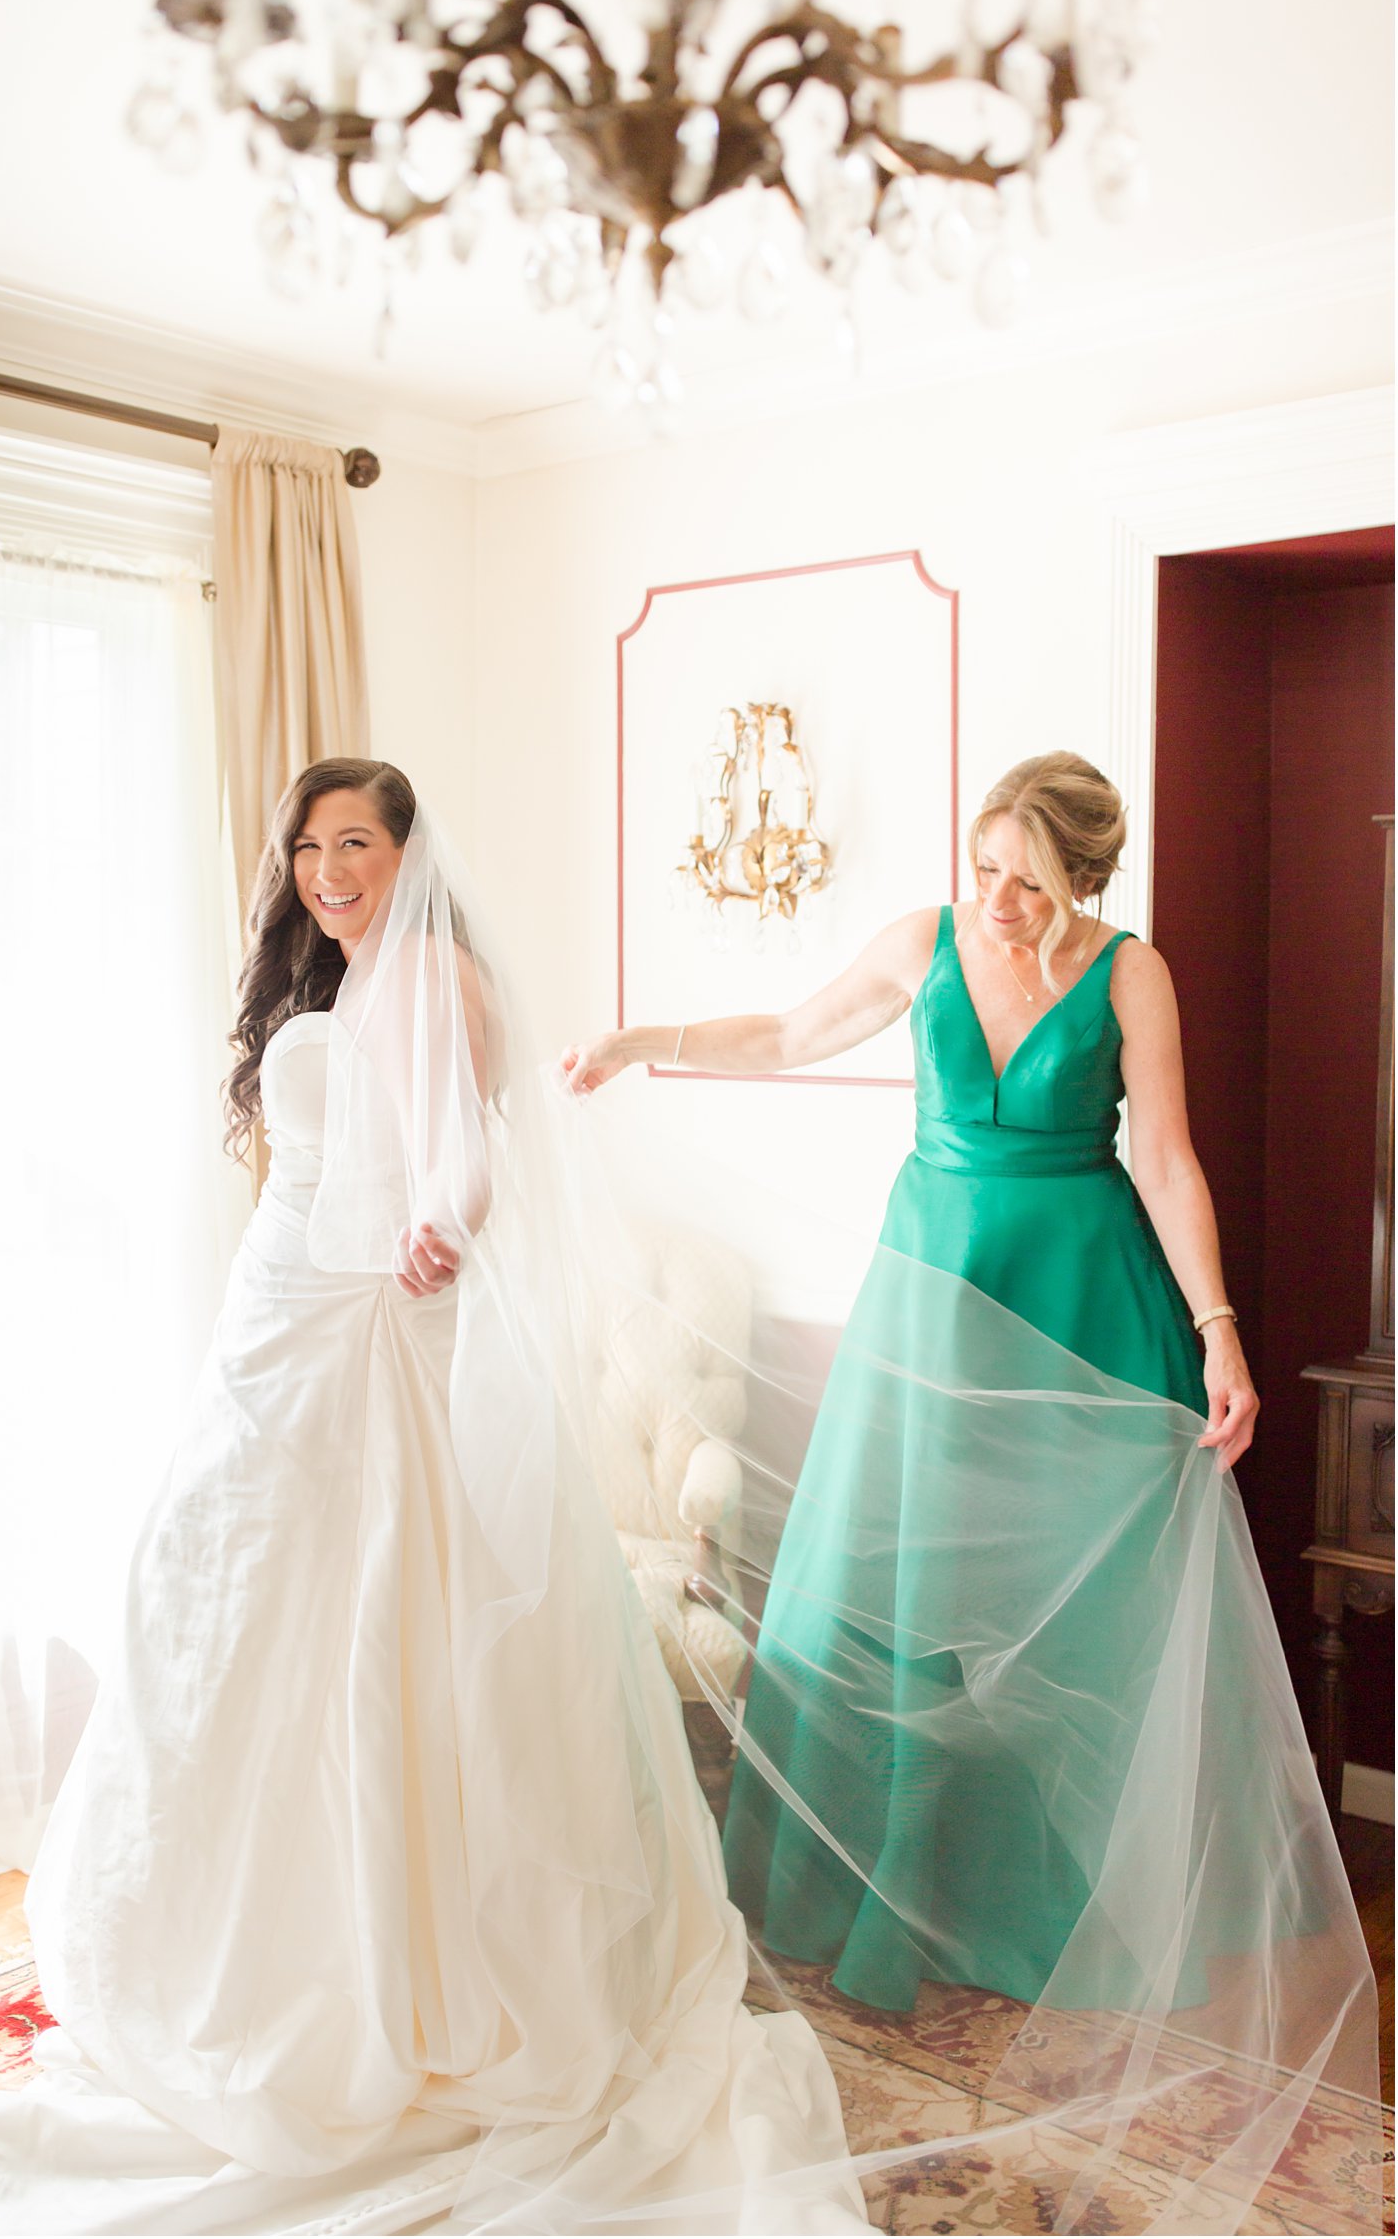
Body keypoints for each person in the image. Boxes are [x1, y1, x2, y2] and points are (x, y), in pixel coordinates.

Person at [0, 757, 867, 2238]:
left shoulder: (430, 966)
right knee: (233, 1619)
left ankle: (389, 1973)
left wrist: (438, 1223)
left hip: (370, 1320)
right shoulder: (343, 969)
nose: (326, 867)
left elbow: (460, 1149)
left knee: (375, 1633)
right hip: (278, 1319)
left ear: (405, 850)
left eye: (354, 841)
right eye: (309, 845)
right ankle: (239, 1956)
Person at [563, 751, 1380, 2231]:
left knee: (1078, 1633)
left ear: (1083, 880)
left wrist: (1218, 1332)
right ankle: (875, 1907)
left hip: (1081, 1305)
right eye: (984, 862)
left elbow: (1173, 1164)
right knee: (891, 1606)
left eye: (1027, 877)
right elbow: (796, 1028)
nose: (996, 896)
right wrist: (642, 1038)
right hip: (930, 1306)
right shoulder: (929, 939)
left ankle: (1065, 1917)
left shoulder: (1134, 979)